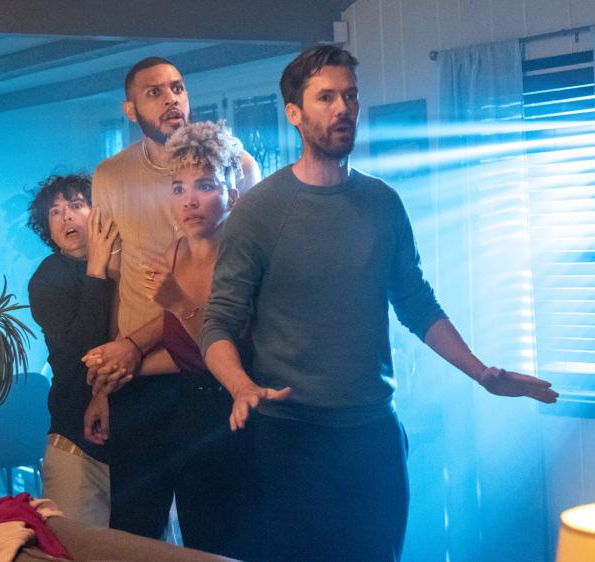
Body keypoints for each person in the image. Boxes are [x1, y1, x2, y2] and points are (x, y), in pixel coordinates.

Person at [200, 45, 559, 562]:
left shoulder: (382, 202)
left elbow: (417, 304)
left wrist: (481, 372)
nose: (342, 108)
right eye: (326, 97)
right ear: (294, 114)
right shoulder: (260, 211)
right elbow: (217, 323)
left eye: (350, 96)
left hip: (373, 433)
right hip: (290, 436)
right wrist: (241, 385)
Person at [88, 57, 261, 541]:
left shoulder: (238, 166)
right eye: (155, 92)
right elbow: (116, 286)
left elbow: (232, 294)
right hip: (140, 378)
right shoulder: (110, 175)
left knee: (214, 529)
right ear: (130, 109)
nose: (171, 99)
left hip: (210, 372)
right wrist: (106, 385)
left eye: (178, 88)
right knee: (133, 529)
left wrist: (135, 348)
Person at [27, 173, 119, 526]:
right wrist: (95, 270)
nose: (66, 216)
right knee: (77, 543)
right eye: (55, 212)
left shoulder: (126, 258)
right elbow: (82, 350)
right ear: (47, 229)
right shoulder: (47, 279)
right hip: (74, 435)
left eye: (77, 205)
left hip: (133, 434)